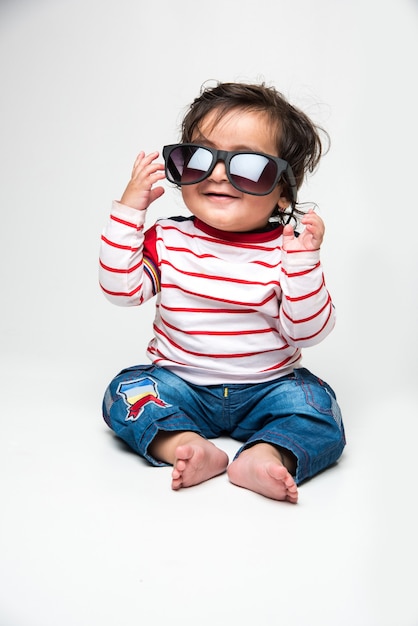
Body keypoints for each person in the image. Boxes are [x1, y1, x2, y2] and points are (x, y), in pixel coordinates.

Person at [99, 81, 345, 503]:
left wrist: (305, 263)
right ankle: (186, 446)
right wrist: (129, 209)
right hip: (180, 382)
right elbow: (121, 290)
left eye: (248, 167)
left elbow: (308, 333)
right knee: (123, 394)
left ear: (283, 192)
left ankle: (266, 454)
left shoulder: (288, 249)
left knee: (320, 410)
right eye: (198, 159)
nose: (217, 174)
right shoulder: (169, 238)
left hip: (270, 386)